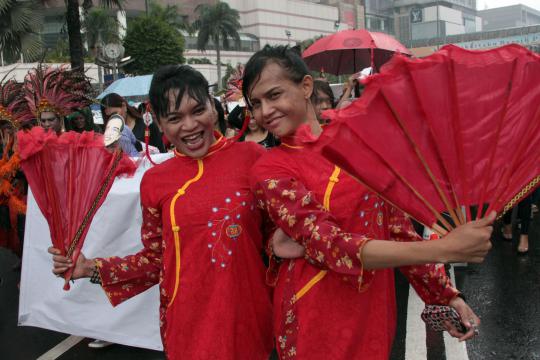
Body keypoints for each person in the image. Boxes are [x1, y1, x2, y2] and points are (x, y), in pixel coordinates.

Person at [242, 45, 494, 359]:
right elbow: (329, 244)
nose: (264, 111)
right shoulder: (270, 169)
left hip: (373, 307)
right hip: (313, 312)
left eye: (274, 95)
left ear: (306, 86)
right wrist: (445, 248)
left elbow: (398, 229)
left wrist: (445, 296)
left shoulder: (359, 146)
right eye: (256, 103)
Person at [48, 65, 273, 359]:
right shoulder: (155, 181)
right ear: (161, 125)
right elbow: (156, 259)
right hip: (187, 321)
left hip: (248, 315)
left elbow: (276, 236)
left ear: (213, 109)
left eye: (197, 110)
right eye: (175, 118)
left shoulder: (253, 159)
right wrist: (90, 268)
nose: (190, 125)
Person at [22, 65, 93, 135]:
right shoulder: (34, 144)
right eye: (43, 121)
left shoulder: (74, 141)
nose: (47, 124)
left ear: (60, 120)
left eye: (51, 120)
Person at [100, 93, 165, 153]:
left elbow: (162, 153)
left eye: (114, 113)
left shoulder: (147, 125)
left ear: (124, 106)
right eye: (109, 117)